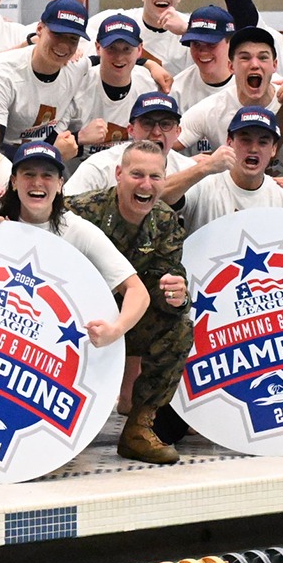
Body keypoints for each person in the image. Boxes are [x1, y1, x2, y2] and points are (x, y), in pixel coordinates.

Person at [65, 141, 193, 463]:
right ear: (119, 174)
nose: (146, 185)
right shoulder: (80, 210)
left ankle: (139, 428)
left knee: (179, 327)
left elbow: (170, 286)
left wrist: (179, 295)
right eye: (137, 174)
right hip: (75, 324)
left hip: (130, 322)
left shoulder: (165, 222)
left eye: (155, 176)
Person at [0, 142, 151, 343]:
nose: (38, 183)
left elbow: (138, 292)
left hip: (50, 341)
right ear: (14, 181)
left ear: (60, 184)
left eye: (47, 175)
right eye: (29, 174)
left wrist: (115, 330)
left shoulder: (78, 230)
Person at [180, 107, 283, 232]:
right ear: (229, 142)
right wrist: (204, 168)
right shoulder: (204, 186)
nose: (253, 149)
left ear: (273, 149)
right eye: (245, 140)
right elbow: (163, 199)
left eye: (263, 142)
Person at [0, 0, 93, 148]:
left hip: (42, 156)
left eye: (73, 39)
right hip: (2, 160)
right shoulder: (0, 73)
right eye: (57, 34)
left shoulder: (77, 66)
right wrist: (52, 151)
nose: (64, 45)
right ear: (39, 29)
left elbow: (100, 60)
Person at [66, 90, 203, 201]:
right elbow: (63, 208)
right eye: (147, 123)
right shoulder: (101, 166)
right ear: (131, 130)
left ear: (178, 132)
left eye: (165, 124)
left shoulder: (189, 171)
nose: (156, 132)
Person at [176, 26, 281, 155]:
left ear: (274, 65)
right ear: (231, 67)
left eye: (263, 58)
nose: (254, 65)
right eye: (245, 58)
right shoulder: (212, 109)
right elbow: (160, 147)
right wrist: (197, 167)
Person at [72, 12, 160, 154]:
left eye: (127, 49)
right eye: (111, 48)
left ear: (139, 50)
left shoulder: (150, 85)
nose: (119, 57)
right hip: (79, 174)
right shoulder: (78, 84)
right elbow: (50, 143)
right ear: (98, 48)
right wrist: (78, 137)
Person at [172, 7, 236, 112]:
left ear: (231, 43)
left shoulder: (250, 84)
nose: (202, 52)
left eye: (211, 44)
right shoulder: (177, 90)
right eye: (196, 44)